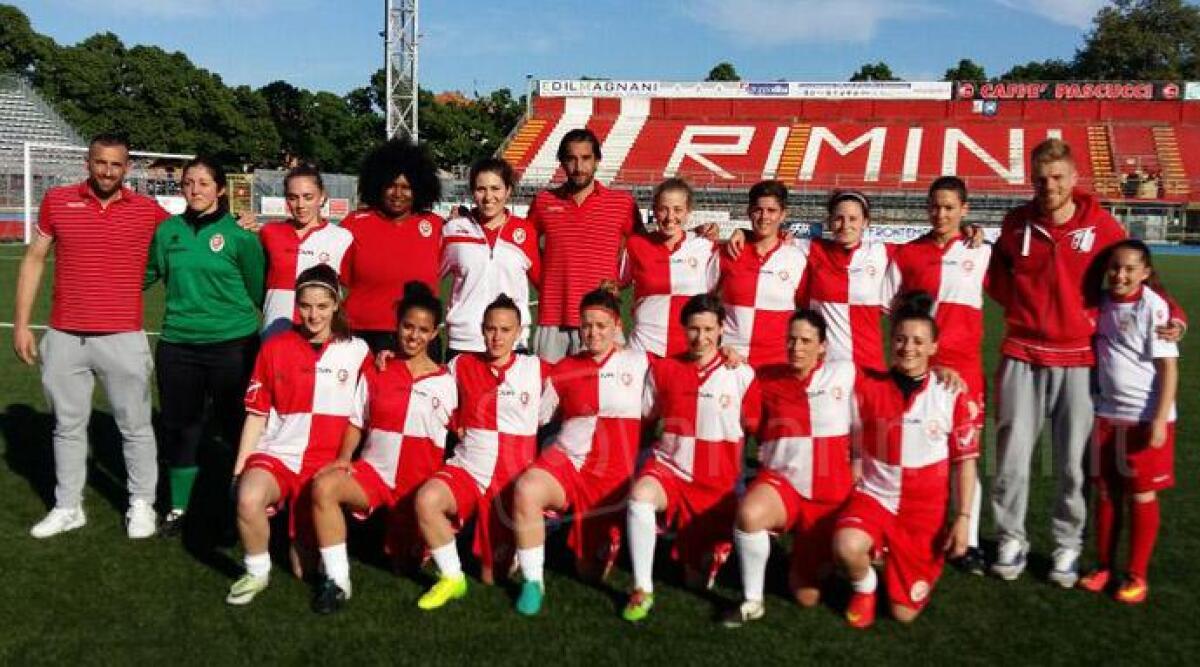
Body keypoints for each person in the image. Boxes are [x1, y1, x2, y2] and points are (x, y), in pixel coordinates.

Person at [987, 138, 1185, 586]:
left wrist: (1175, 316)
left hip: (1079, 358)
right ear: (1031, 179)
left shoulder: (1102, 226)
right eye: (1040, 178)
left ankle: (1067, 547)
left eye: (1057, 177)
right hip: (1021, 352)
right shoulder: (1015, 223)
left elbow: (1141, 278)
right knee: (1012, 459)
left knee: (1074, 464)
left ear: (1075, 178)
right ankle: (1010, 538)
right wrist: (1027, 314)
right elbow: (998, 281)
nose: (1048, 186)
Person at [15, 133, 169, 540]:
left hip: (123, 336)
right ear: (88, 162)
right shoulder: (57, 202)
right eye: (100, 162)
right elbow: (34, 259)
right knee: (66, 427)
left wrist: (236, 223)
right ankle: (68, 506)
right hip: (65, 335)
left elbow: (190, 239)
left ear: (127, 168)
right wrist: (21, 324)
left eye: (116, 164)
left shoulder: (146, 210)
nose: (107, 171)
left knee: (135, 426)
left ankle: (141, 503)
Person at [832, 293, 980, 629]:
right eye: (900, 339)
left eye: (917, 341)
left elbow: (965, 461)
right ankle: (865, 586)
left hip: (922, 512)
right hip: (875, 497)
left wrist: (963, 517)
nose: (907, 348)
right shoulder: (866, 385)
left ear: (933, 347)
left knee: (904, 614)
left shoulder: (951, 393)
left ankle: (901, 557)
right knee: (846, 546)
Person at [307, 282, 456, 614]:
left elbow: (463, 434)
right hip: (374, 475)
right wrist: (344, 459)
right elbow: (357, 421)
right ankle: (337, 581)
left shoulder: (449, 382)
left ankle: (420, 540)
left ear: (434, 334)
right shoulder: (378, 369)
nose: (413, 336)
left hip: (417, 487)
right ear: (397, 325)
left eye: (423, 330)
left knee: (404, 566)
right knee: (324, 489)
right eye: (407, 326)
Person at [225, 265, 370, 606]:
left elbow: (364, 413)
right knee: (248, 497)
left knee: (303, 571)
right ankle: (256, 572)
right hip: (279, 455)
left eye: (322, 306)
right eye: (305, 305)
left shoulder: (358, 350)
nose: (313, 314)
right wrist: (238, 470)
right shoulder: (275, 347)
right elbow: (257, 414)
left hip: (324, 464)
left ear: (337, 303)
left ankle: (327, 564)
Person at [511, 286, 650, 616]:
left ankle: (608, 541)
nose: (593, 332)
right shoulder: (564, 368)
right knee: (526, 489)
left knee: (587, 572)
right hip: (566, 461)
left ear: (617, 324)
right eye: (586, 325)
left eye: (601, 325)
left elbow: (684, 372)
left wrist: (730, 354)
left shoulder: (640, 362)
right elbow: (539, 416)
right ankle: (533, 582)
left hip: (610, 476)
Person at [144, 156, 265, 536]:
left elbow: (260, 290)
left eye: (203, 183)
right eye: (188, 183)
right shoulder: (167, 232)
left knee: (236, 429)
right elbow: (144, 276)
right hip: (179, 345)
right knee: (180, 429)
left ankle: (239, 506)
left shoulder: (241, 235)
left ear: (221, 189)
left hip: (234, 346)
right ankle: (179, 508)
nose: (195, 190)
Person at [623, 293, 759, 623]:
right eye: (694, 329)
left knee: (694, 579)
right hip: (670, 471)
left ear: (722, 330)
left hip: (716, 485)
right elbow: (646, 417)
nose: (702, 337)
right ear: (683, 329)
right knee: (639, 499)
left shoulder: (741, 374)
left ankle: (716, 548)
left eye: (709, 329)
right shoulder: (665, 368)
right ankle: (643, 588)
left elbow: (753, 427)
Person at [413, 294, 548, 610]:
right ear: (481, 329)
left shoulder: (536, 368)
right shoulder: (461, 364)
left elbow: (577, 383)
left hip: (510, 479)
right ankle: (452, 577)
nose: (497, 337)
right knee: (427, 500)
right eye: (490, 329)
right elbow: (429, 383)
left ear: (518, 332)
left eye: (505, 329)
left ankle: (526, 564)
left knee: (492, 576)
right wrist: (390, 359)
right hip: (469, 469)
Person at [723, 309, 856, 627]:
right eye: (791, 340)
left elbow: (892, 385)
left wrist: (944, 372)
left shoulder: (846, 373)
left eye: (806, 341)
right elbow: (742, 405)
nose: (796, 347)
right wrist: (727, 355)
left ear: (823, 346)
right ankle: (752, 600)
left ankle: (822, 559)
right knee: (749, 514)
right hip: (782, 484)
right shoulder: (767, 378)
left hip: (828, 496)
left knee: (807, 596)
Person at [883, 176, 988, 573]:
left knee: (965, 453)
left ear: (964, 209)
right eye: (934, 206)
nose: (940, 214)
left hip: (964, 372)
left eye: (949, 207)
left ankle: (969, 541)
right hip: (919, 370)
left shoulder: (982, 253)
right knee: (914, 450)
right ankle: (912, 530)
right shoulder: (908, 254)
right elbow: (890, 306)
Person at [1078, 240, 1179, 604]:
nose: (1120, 274)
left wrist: (1158, 420)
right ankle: (1104, 565)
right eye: (1115, 267)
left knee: (1141, 494)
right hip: (1106, 415)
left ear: (1146, 273)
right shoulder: (1102, 304)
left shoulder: (1154, 307)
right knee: (1106, 494)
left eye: (1130, 268)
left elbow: (1169, 367)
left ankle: (1136, 575)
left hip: (1145, 418)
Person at [527, 128, 644, 362]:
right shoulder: (543, 202)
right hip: (554, 320)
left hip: (603, 320)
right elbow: (522, 245)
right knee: (550, 395)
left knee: (605, 396)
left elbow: (644, 249)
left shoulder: (622, 203)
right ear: (561, 162)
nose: (578, 166)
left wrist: (621, 282)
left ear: (597, 160)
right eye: (571, 159)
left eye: (586, 158)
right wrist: (546, 282)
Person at [340, 138, 444, 354]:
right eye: (391, 186)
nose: (398, 194)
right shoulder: (352, 225)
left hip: (417, 338)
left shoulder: (435, 226)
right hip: (361, 335)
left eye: (406, 187)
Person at [441, 157, 541, 357]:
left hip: (512, 343)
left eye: (496, 188)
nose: (488, 197)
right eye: (481, 189)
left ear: (508, 191)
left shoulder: (525, 232)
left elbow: (544, 281)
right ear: (472, 192)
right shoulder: (453, 230)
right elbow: (428, 277)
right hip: (465, 343)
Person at [620, 177, 719, 358]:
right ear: (654, 211)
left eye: (677, 210)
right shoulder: (636, 245)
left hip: (690, 351)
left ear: (688, 211)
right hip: (644, 350)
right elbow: (611, 286)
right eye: (663, 209)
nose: (670, 217)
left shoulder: (705, 246)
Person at [717, 180, 809, 368]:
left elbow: (808, 312)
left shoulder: (797, 258)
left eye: (771, 210)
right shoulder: (728, 252)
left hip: (777, 363)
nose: (764, 216)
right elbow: (703, 304)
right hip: (731, 360)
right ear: (749, 212)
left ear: (783, 215)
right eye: (758, 210)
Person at [260, 163, 354, 339]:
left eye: (308, 197)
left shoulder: (342, 238)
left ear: (322, 196)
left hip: (321, 336)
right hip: (274, 334)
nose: (300, 205)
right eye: (293, 197)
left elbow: (350, 292)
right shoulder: (269, 232)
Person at [804, 190, 894, 372]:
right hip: (825, 370)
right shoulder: (811, 249)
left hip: (869, 368)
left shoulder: (881, 253)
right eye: (839, 218)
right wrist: (744, 233)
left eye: (853, 218)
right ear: (830, 221)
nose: (845, 225)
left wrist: (966, 231)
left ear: (865, 222)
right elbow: (770, 240)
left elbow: (928, 248)